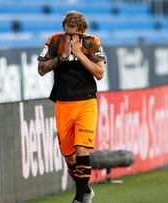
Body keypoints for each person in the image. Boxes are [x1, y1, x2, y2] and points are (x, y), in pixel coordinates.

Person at [37, 11, 106, 203]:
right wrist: (63, 56)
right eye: (67, 33)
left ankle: (78, 198)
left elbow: (99, 73)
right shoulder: (55, 41)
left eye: (74, 35)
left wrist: (78, 54)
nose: (70, 38)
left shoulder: (92, 42)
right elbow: (41, 69)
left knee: (82, 149)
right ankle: (86, 190)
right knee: (70, 158)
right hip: (63, 103)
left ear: (82, 32)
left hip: (86, 102)